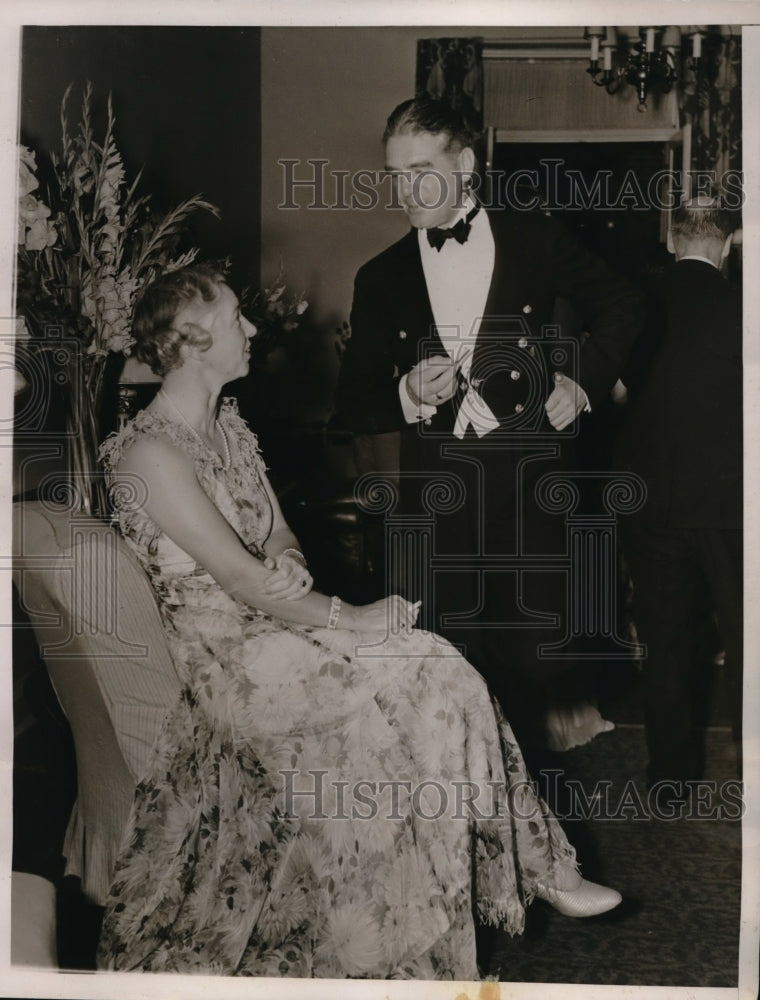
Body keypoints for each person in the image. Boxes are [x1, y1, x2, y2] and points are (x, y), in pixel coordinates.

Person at [95, 263, 621, 979]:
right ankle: (519, 881)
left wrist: (290, 561)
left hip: (283, 630)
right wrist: (353, 616)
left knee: (440, 668)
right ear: (189, 343)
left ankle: (526, 876)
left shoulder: (227, 424)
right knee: (425, 690)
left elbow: (278, 538)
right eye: (233, 321)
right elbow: (241, 579)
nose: (251, 329)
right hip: (231, 663)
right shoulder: (151, 453)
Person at [335, 97, 645, 756]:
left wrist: (581, 382)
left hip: (527, 502)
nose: (405, 189)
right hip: (435, 514)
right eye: (395, 174)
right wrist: (405, 392)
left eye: (421, 170)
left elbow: (626, 301)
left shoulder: (534, 238)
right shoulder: (381, 276)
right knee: (440, 686)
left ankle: (530, 844)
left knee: (531, 682)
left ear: (467, 163)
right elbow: (353, 401)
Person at [615, 197, 742, 793]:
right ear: (728, 242)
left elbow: (612, 393)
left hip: (648, 499)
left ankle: (670, 776)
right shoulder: (746, 305)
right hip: (729, 503)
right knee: (748, 638)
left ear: (672, 240)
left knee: (664, 640)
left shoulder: (633, 302)